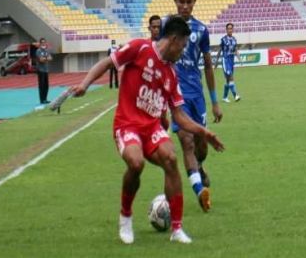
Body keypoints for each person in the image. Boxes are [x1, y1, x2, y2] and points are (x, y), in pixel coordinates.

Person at [70, 16, 224, 245]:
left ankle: (177, 229)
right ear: (173, 40)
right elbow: (107, 63)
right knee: (136, 163)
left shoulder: (172, 74)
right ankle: (125, 216)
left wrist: (205, 133)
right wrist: (85, 83)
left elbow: (180, 116)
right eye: (182, 47)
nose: (182, 53)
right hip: (127, 124)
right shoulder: (139, 48)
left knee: (171, 159)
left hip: (151, 127)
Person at [162, 0, 223, 212]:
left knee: (201, 146)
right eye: (180, 2)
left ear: (194, 2)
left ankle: (199, 167)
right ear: (175, 1)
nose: (184, 6)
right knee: (186, 141)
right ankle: (200, 192)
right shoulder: (167, 29)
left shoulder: (201, 31)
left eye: (188, 2)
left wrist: (215, 102)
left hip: (197, 96)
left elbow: (207, 66)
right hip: (176, 97)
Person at [215, 23, 241, 102]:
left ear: (233, 30)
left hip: (231, 60)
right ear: (226, 30)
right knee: (230, 77)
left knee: (228, 80)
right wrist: (216, 62)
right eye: (228, 28)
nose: (230, 30)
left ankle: (224, 97)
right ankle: (235, 95)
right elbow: (219, 51)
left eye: (231, 28)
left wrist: (239, 58)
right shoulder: (223, 39)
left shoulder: (234, 39)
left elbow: (236, 50)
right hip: (225, 60)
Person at [35, 38, 52, 104]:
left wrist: (45, 58)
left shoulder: (46, 50)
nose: (43, 43)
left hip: (46, 70)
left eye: (44, 42)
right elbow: (41, 60)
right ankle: (42, 100)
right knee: (41, 85)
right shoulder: (38, 51)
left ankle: (45, 98)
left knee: (46, 85)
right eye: (42, 42)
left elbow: (50, 58)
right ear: (40, 43)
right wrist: (46, 58)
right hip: (40, 70)